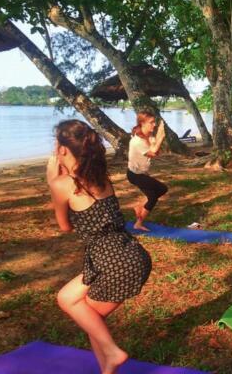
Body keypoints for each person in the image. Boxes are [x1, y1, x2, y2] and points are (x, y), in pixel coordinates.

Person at [47, 120, 152, 374]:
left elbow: (64, 226)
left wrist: (52, 178)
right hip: (129, 252)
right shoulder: (101, 177)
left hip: (112, 262)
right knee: (83, 311)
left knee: (79, 309)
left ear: (62, 149)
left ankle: (113, 353)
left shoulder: (61, 185)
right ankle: (108, 368)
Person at [127, 110, 168, 231]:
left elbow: (155, 153)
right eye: (151, 122)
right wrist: (160, 137)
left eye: (154, 122)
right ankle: (138, 223)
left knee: (161, 190)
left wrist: (155, 142)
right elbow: (153, 153)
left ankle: (139, 207)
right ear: (142, 123)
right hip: (135, 175)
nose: (154, 125)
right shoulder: (137, 141)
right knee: (154, 196)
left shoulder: (147, 137)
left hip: (141, 174)